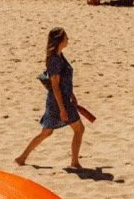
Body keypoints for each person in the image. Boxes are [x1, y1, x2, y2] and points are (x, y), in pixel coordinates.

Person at [15, 27, 86, 170]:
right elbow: (55, 86)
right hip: (58, 102)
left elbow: (64, 81)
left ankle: (22, 157)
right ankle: (74, 162)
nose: (68, 39)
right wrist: (62, 109)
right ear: (60, 40)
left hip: (64, 99)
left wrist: (72, 95)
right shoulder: (54, 60)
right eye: (66, 37)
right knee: (78, 129)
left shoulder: (60, 55)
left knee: (47, 132)